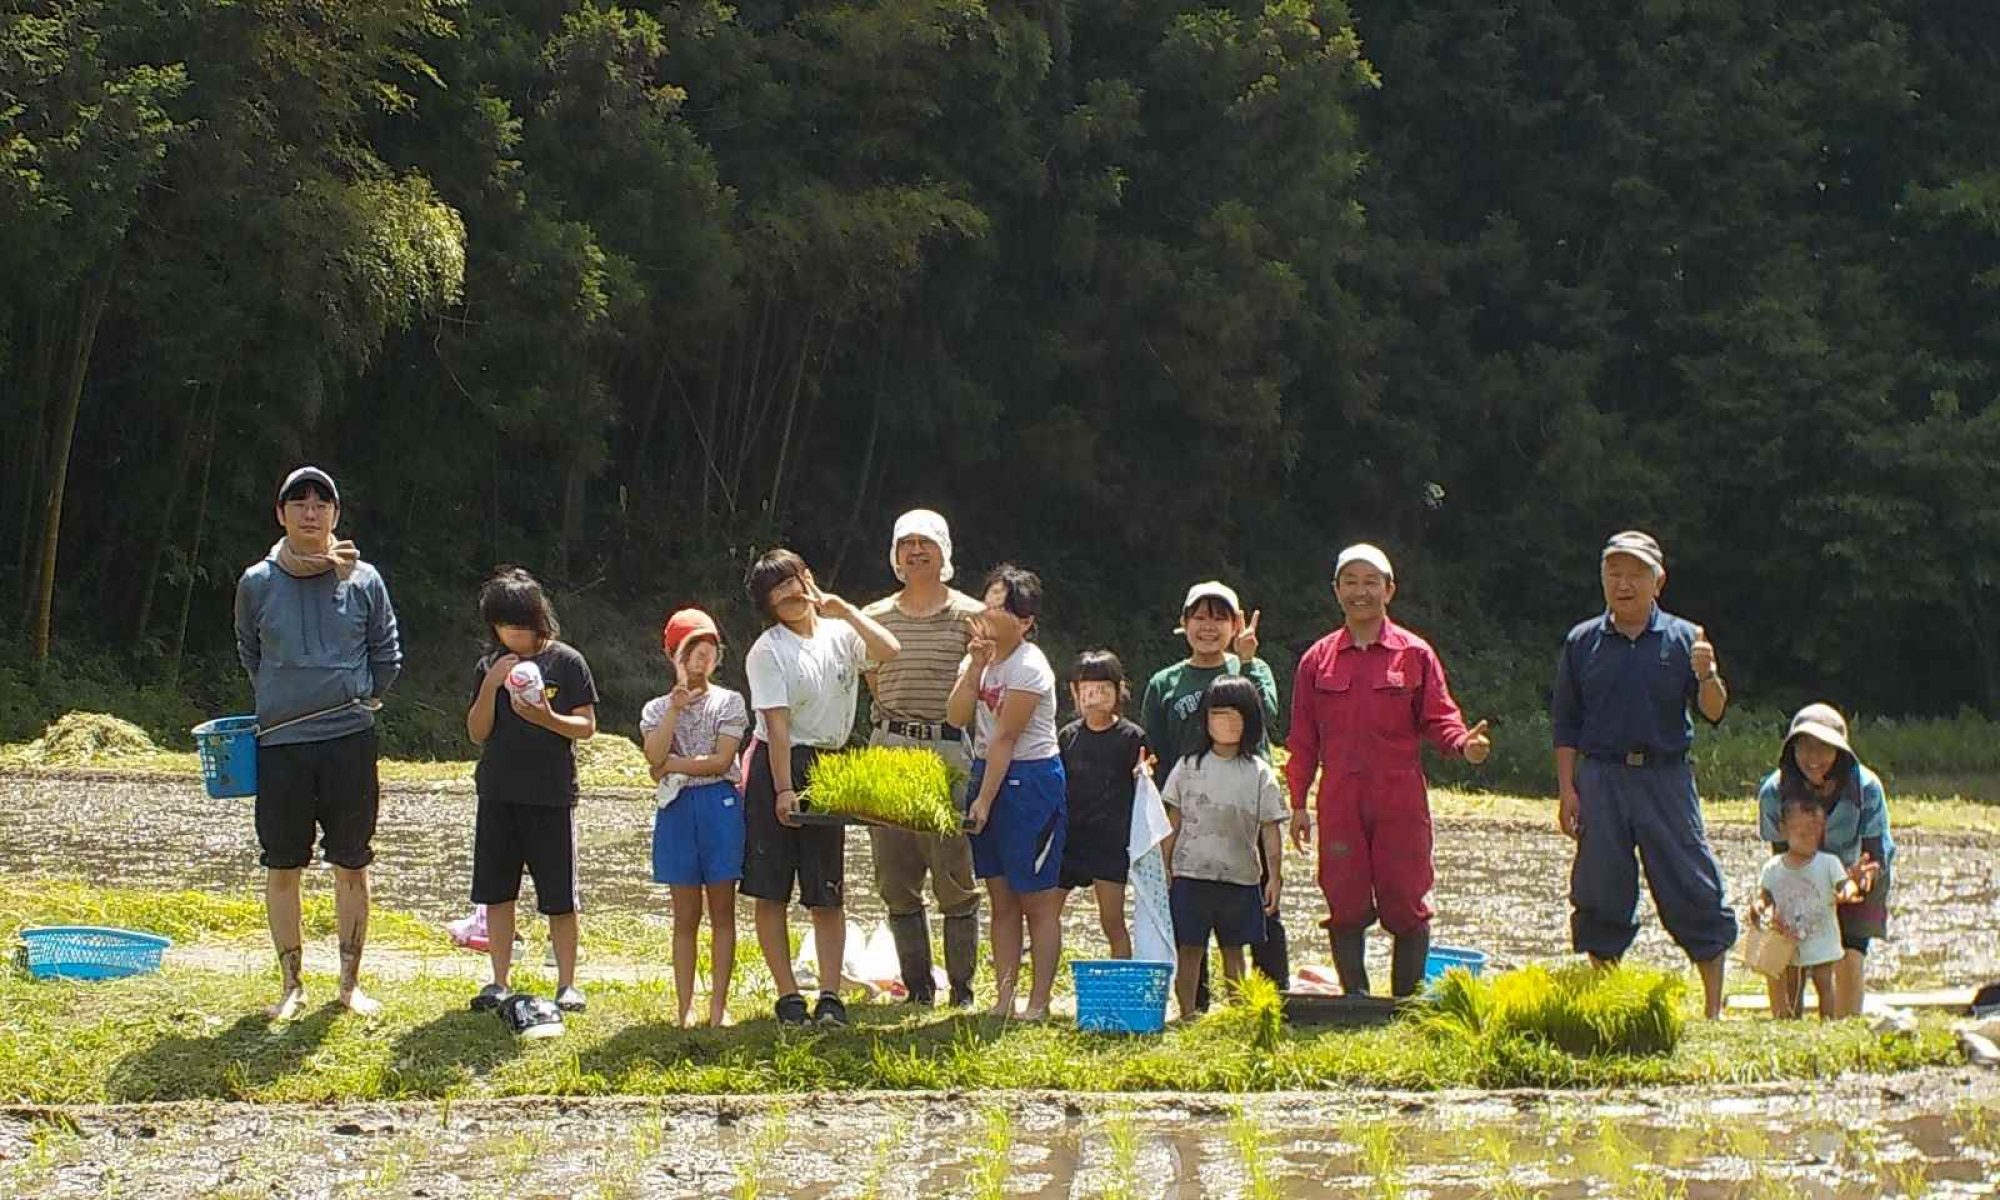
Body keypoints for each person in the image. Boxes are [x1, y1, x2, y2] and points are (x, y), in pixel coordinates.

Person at [1284, 543, 1492, 998]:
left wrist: (1465, 745)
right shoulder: (1316, 661)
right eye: (1351, 582)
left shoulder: (1414, 654)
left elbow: (1441, 719)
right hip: (1339, 797)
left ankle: (1406, 1001)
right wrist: (1298, 802)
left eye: (1370, 582)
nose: (1361, 592)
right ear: (1337, 591)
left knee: (1407, 894)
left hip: (1399, 796)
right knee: (1343, 894)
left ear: (1389, 590)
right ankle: (1354, 999)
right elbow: (1301, 740)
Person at [233, 466, 401, 1019]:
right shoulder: (257, 581)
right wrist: (283, 698)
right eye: (298, 502)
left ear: (335, 514)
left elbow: (387, 651)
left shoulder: (363, 579)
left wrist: (360, 693)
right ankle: (291, 983)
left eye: (321, 503)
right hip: (280, 743)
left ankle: (349, 985)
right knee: (283, 864)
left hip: (349, 738)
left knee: (352, 862)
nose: (311, 512)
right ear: (281, 514)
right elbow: (249, 651)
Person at [1553, 530, 1737, 1018]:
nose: (1623, 583)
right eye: (1613, 572)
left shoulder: (1684, 638)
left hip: (1665, 779)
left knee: (1691, 881)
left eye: (1635, 574)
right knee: (1600, 885)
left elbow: (1714, 711)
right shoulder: (1582, 641)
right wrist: (1567, 789)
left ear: (1658, 581)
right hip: (1601, 779)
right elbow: (1566, 723)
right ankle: (1606, 998)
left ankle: (1714, 1006)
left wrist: (1708, 673)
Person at [742, 548, 901, 1027]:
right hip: (780, 763)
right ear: (766, 602)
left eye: (795, 580)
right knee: (770, 889)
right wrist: (785, 791)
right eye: (778, 588)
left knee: (826, 888)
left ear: (810, 578)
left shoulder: (839, 633)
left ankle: (831, 995)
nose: (790, 593)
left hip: (831, 765)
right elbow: (778, 724)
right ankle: (789, 995)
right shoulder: (767, 650)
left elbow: (889, 651)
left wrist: (846, 610)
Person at [859, 510, 984, 1006]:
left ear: (944, 552)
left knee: (954, 872)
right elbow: (873, 679)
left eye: (925, 543)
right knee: (895, 874)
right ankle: (917, 988)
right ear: (895, 555)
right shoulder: (873, 617)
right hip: (888, 746)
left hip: (949, 746)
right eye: (905, 543)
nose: (916, 551)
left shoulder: (970, 615)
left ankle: (962, 989)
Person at [1139, 581, 1286, 1000]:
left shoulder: (1250, 670)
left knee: (1260, 908)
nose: (1208, 626)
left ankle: (1271, 997)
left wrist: (1248, 660)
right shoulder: (1165, 682)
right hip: (1189, 809)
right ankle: (1194, 1003)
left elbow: (1267, 715)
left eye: (1219, 617)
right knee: (1190, 910)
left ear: (1236, 624)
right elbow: (1156, 745)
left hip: (1246, 806)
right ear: (1183, 623)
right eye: (1199, 617)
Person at [464, 568, 598, 1015]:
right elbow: (477, 732)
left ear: (540, 618)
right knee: (497, 893)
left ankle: (567, 983)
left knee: (559, 895)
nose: (515, 633)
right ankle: (498, 981)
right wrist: (490, 685)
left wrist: (548, 718)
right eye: (506, 625)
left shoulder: (566, 662)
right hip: (498, 793)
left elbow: (586, 726)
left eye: (523, 623)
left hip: (551, 794)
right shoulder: (490, 665)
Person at [946, 564, 1066, 1019]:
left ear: (1025, 621)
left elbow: (1006, 738)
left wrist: (982, 801)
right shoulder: (980, 658)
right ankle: (1003, 998)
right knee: (1000, 897)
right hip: (986, 769)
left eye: (1000, 609)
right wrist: (974, 667)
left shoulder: (1030, 666)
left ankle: (1038, 1003)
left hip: (1029, 779)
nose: (989, 615)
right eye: (988, 605)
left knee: (1036, 897)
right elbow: (957, 717)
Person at [641, 608, 750, 1027]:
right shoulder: (655, 709)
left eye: (709, 650)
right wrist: (674, 707)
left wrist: (671, 766)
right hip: (677, 812)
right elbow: (652, 755)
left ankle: (718, 1007)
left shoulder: (729, 701)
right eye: (691, 651)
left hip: (719, 808)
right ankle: (684, 1008)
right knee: (684, 916)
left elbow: (723, 760)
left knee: (723, 911)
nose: (702, 660)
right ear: (673, 656)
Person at [1756, 703, 1894, 1018]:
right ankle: (1786, 1024)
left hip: (1858, 871)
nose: (1814, 758)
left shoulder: (1866, 789)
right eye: (1805, 747)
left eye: (1824, 749)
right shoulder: (1773, 793)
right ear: (1791, 750)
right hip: (1800, 874)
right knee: (1783, 945)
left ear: (1840, 752)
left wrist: (1855, 883)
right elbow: (1781, 858)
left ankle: (1844, 1027)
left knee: (1848, 954)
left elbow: (1874, 856)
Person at [1163, 676, 1288, 1017]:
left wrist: (1274, 877)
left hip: (1241, 877)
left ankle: (1235, 1015)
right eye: (1218, 715)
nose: (1227, 724)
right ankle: (1187, 1013)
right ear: (1205, 719)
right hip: (1190, 873)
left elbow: (1271, 830)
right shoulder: (1189, 766)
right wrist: (1164, 864)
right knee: (1189, 950)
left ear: (1251, 721)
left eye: (1236, 716)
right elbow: (1172, 819)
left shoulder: (1259, 772)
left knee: (1234, 951)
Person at [1058, 650, 1150, 958]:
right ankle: (1039, 990)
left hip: (1111, 843)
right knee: (1044, 913)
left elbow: (1145, 789)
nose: (1096, 696)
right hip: (1071, 840)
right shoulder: (1067, 736)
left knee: (1112, 921)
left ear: (1118, 690)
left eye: (1104, 688)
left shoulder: (1131, 736)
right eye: (1088, 689)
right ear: (1075, 691)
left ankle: (1122, 988)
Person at [1755, 794, 1877, 1020]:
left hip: (1821, 937)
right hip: (1788, 938)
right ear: (1783, 830)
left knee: (1824, 981)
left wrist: (1849, 891)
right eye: (1801, 834)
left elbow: (1844, 883)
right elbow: (1765, 894)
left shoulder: (1828, 862)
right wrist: (1759, 906)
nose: (1809, 839)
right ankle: (1793, 1019)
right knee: (1793, 983)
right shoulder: (1773, 868)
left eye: (1815, 833)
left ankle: (1827, 1020)